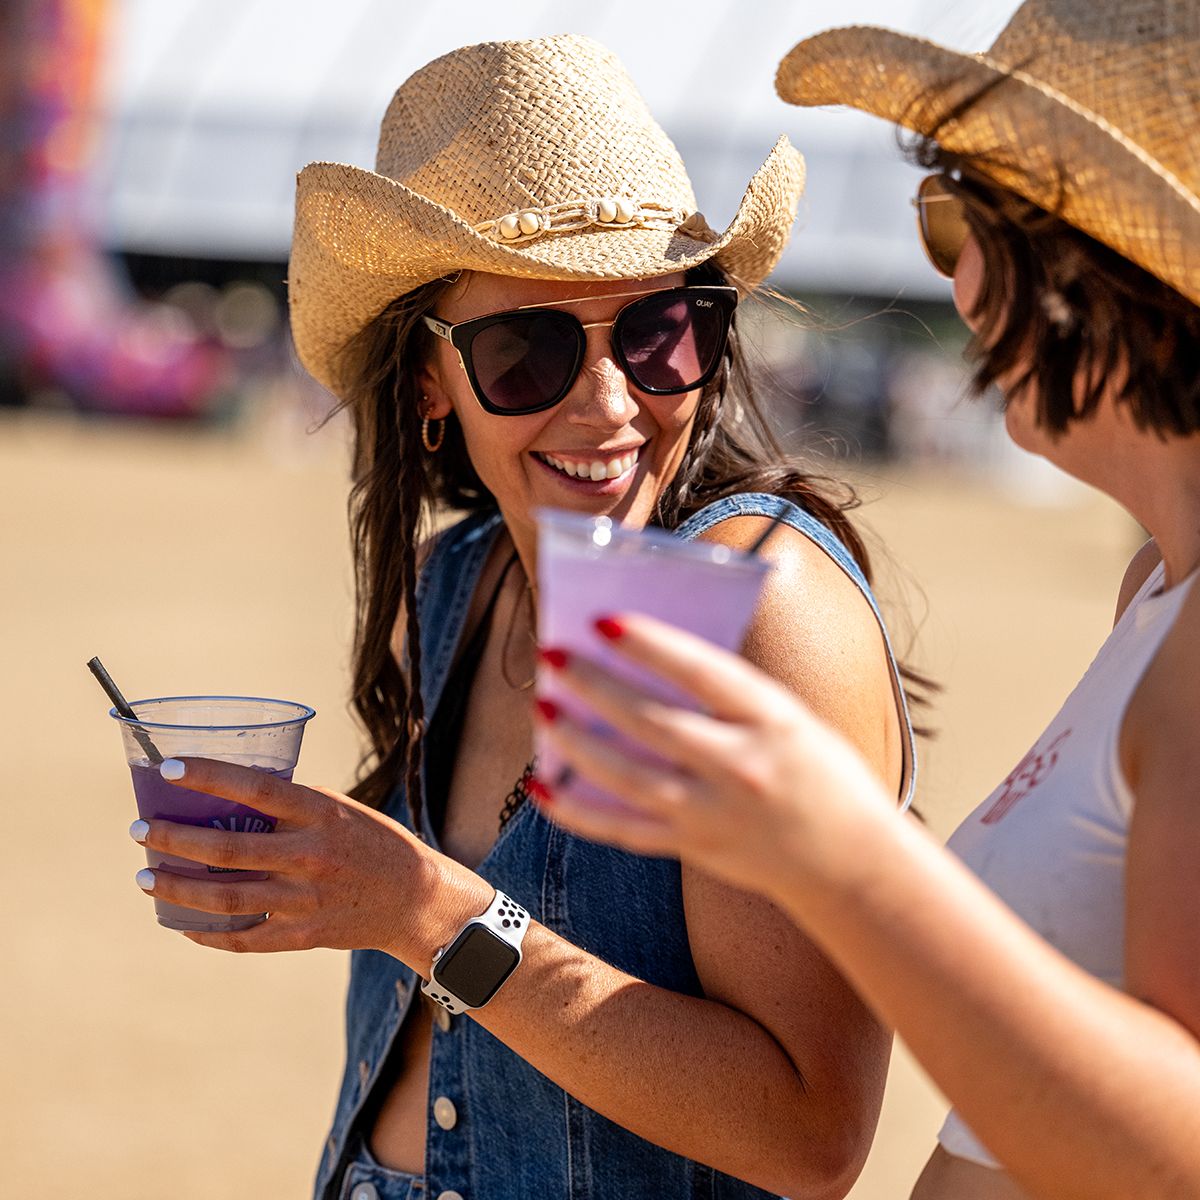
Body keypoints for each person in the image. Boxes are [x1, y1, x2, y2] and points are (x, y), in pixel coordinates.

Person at [127, 34, 919, 1200]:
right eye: (527, 348)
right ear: (428, 385)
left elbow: (810, 1138)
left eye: (661, 332)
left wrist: (424, 908)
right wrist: (323, 888)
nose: (610, 403)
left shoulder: (751, 606)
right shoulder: (457, 587)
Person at [531, 3, 1200, 1199]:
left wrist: (835, 846)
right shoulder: (1157, 590)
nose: (955, 276)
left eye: (961, 219)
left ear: (1105, 267)